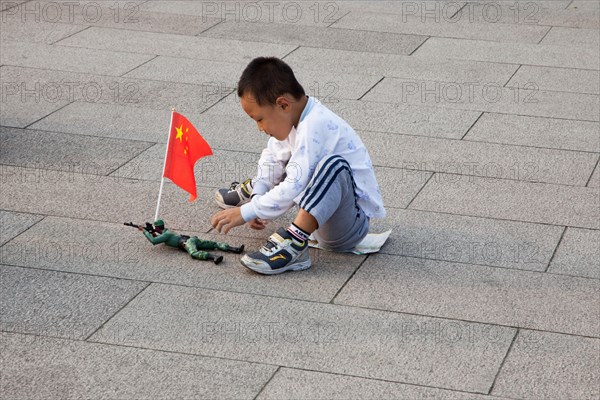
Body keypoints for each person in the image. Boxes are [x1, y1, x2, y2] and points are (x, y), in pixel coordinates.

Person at [211, 57, 385, 275]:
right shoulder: (293, 117)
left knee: (333, 166)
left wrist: (249, 211)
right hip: (322, 218)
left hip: (348, 228)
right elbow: (272, 156)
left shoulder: (315, 125)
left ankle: (294, 244)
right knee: (285, 159)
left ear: (283, 104)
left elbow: (295, 184)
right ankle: (254, 189)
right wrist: (259, 197)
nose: (259, 127)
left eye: (260, 119)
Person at [141, 220, 244, 264]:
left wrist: (145, 232)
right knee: (213, 244)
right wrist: (152, 231)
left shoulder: (166, 234)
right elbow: (157, 237)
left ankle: (214, 257)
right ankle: (234, 249)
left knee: (194, 253)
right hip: (191, 239)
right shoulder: (167, 232)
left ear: (158, 227)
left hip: (187, 243)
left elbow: (154, 241)